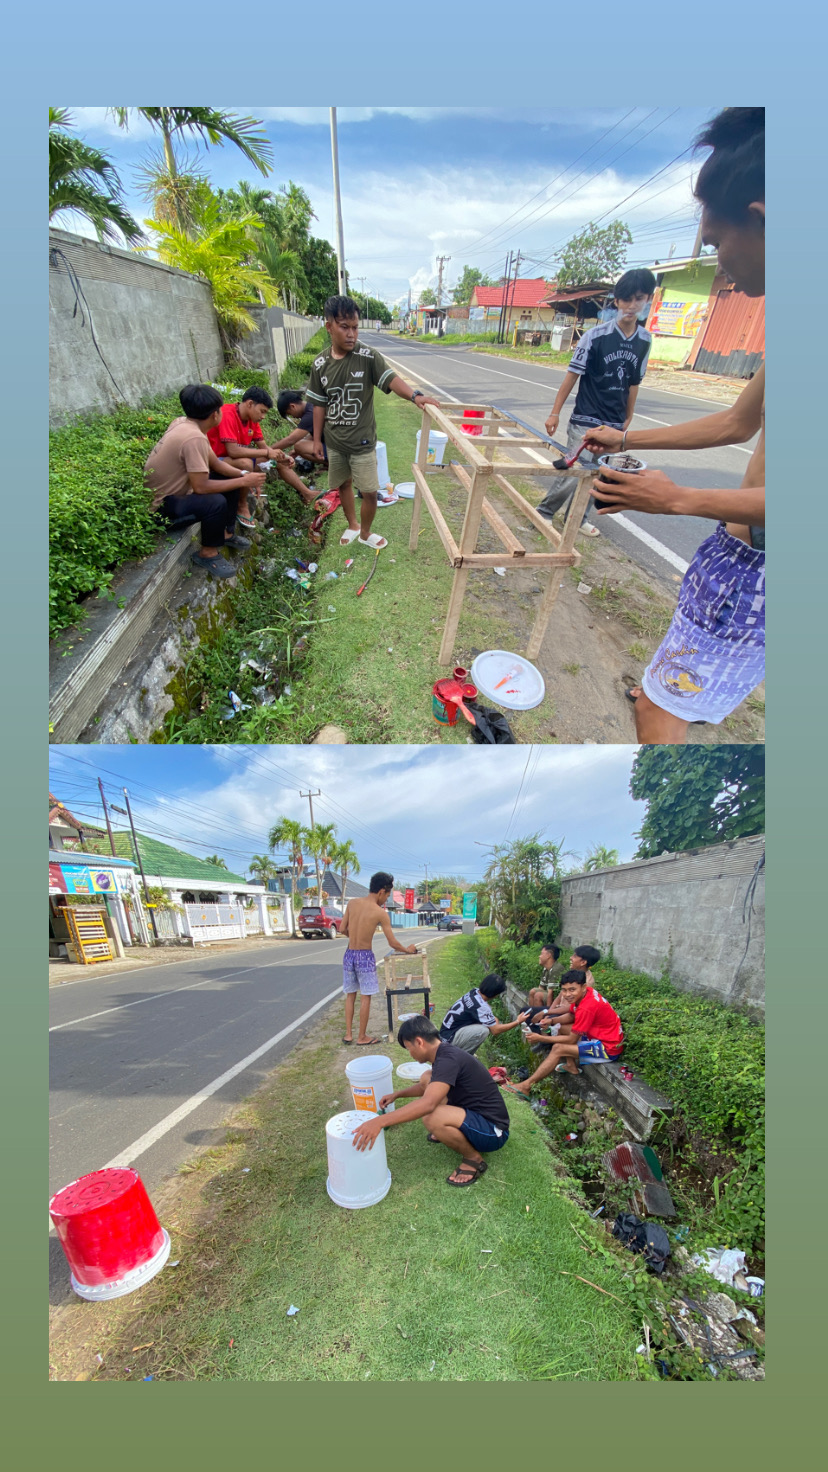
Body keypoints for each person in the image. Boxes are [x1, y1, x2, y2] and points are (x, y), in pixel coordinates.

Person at [582, 108, 765, 743]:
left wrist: (678, 498)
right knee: (672, 696)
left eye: (714, 242)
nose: (717, 267)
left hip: (757, 577)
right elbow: (740, 422)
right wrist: (626, 437)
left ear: (762, 218)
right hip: (736, 560)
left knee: (657, 714)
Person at [306, 295, 441, 550]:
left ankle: (366, 532)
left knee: (369, 491)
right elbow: (319, 405)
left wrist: (415, 396)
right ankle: (353, 525)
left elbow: (391, 380)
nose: (351, 334)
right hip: (334, 442)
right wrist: (316, 440)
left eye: (355, 327)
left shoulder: (368, 357)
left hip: (362, 442)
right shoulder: (320, 364)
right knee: (343, 484)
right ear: (329, 327)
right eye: (344, 327)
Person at [540, 268, 656, 536]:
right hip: (586, 417)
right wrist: (555, 413)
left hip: (614, 420)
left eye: (638, 299)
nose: (631, 306)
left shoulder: (644, 341)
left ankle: (578, 519)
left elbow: (634, 382)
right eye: (626, 299)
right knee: (577, 468)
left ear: (647, 299)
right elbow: (571, 377)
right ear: (616, 301)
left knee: (601, 473)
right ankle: (545, 511)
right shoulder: (596, 336)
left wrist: (629, 414)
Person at [351, 1014, 511, 1187]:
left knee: (432, 1116)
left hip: (494, 1131)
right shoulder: (443, 1054)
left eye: (408, 1047)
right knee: (427, 1077)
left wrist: (379, 1122)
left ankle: (473, 1159)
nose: (410, 1053)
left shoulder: (447, 1059)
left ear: (419, 1042)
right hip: (475, 1114)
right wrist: (397, 1094)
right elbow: (428, 1088)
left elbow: (428, 1103)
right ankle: (450, 1131)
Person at [143, 384, 265, 579]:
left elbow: (216, 464)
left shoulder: (184, 423)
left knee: (233, 477)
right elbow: (201, 487)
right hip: (162, 508)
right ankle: (208, 554)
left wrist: (243, 476)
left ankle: (226, 534)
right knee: (215, 502)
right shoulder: (194, 439)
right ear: (215, 414)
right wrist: (244, 481)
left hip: (178, 494)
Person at [509, 969, 624, 1092]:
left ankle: (526, 1086)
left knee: (558, 1048)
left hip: (608, 1047)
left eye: (572, 990)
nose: (567, 994)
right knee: (559, 1027)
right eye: (564, 990)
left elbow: (571, 1039)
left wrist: (541, 1038)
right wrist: (552, 1021)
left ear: (583, 987)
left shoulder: (587, 1007)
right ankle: (571, 1066)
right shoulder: (587, 993)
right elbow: (572, 1015)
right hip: (600, 1035)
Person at [207, 385, 316, 515]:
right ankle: (242, 505)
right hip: (216, 462)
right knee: (245, 464)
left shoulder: (252, 420)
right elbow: (233, 451)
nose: (263, 416)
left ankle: (307, 493)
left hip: (233, 460)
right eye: (262, 411)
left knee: (279, 461)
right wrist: (267, 453)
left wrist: (281, 455)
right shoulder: (227, 414)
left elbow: (264, 447)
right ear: (250, 404)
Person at [339, 871, 418, 1047]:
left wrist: (353, 937)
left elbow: (342, 928)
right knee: (366, 996)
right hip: (365, 956)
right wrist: (408, 950)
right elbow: (393, 943)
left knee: (350, 995)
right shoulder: (380, 913)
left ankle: (348, 1035)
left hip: (349, 954)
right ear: (382, 891)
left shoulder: (352, 904)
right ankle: (362, 1037)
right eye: (388, 894)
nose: (386, 899)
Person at [438, 973, 530, 1055]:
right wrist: (518, 1021)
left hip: (445, 1033)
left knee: (487, 1024)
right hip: (449, 1039)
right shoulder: (481, 1007)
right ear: (495, 994)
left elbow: (489, 1017)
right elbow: (495, 1031)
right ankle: (461, 1058)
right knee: (483, 1031)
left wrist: (494, 1021)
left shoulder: (474, 992)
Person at [274, 389, 328, 471]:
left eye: (290, 414)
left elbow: (291, 440)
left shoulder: (310, 414)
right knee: (299, 446)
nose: (293, 417)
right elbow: (315, 433)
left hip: (338, 448)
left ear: (293, 406)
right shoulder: (312, 406)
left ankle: (334, 465)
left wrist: (268, 450)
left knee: (299, 446)